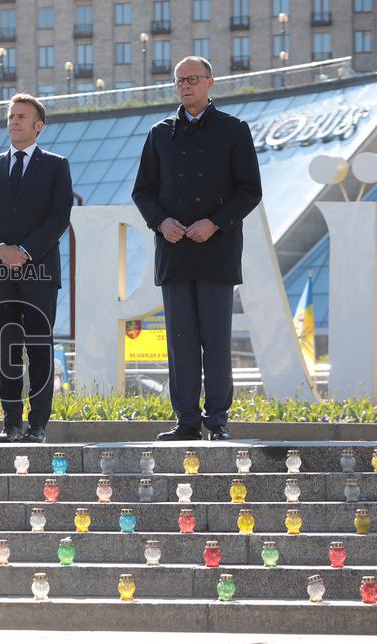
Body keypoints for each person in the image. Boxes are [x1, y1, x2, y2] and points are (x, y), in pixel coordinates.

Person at [132, 56, 262, 441]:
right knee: (181, 342)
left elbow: (249, 190)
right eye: (179, 81)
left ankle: (217, 421)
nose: (185, 86)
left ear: (210, 83)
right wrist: (161, 222)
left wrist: (216, 223)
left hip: (217, 251)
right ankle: (186, 421)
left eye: (192, 79)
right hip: (174, 252)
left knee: (216, 341)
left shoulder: (234, 130)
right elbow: (143, 191)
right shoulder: (160, 133)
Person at [0, 93, 73, 444]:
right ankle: (11, 423)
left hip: (40, 271)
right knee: (7, 348)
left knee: (40, 346)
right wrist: (0, 250)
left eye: (22, 116)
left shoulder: (56, 165)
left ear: (38, 125)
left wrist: (25, 252)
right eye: (11, 115)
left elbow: (59, 216)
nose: (14, 121)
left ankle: (38, 424)